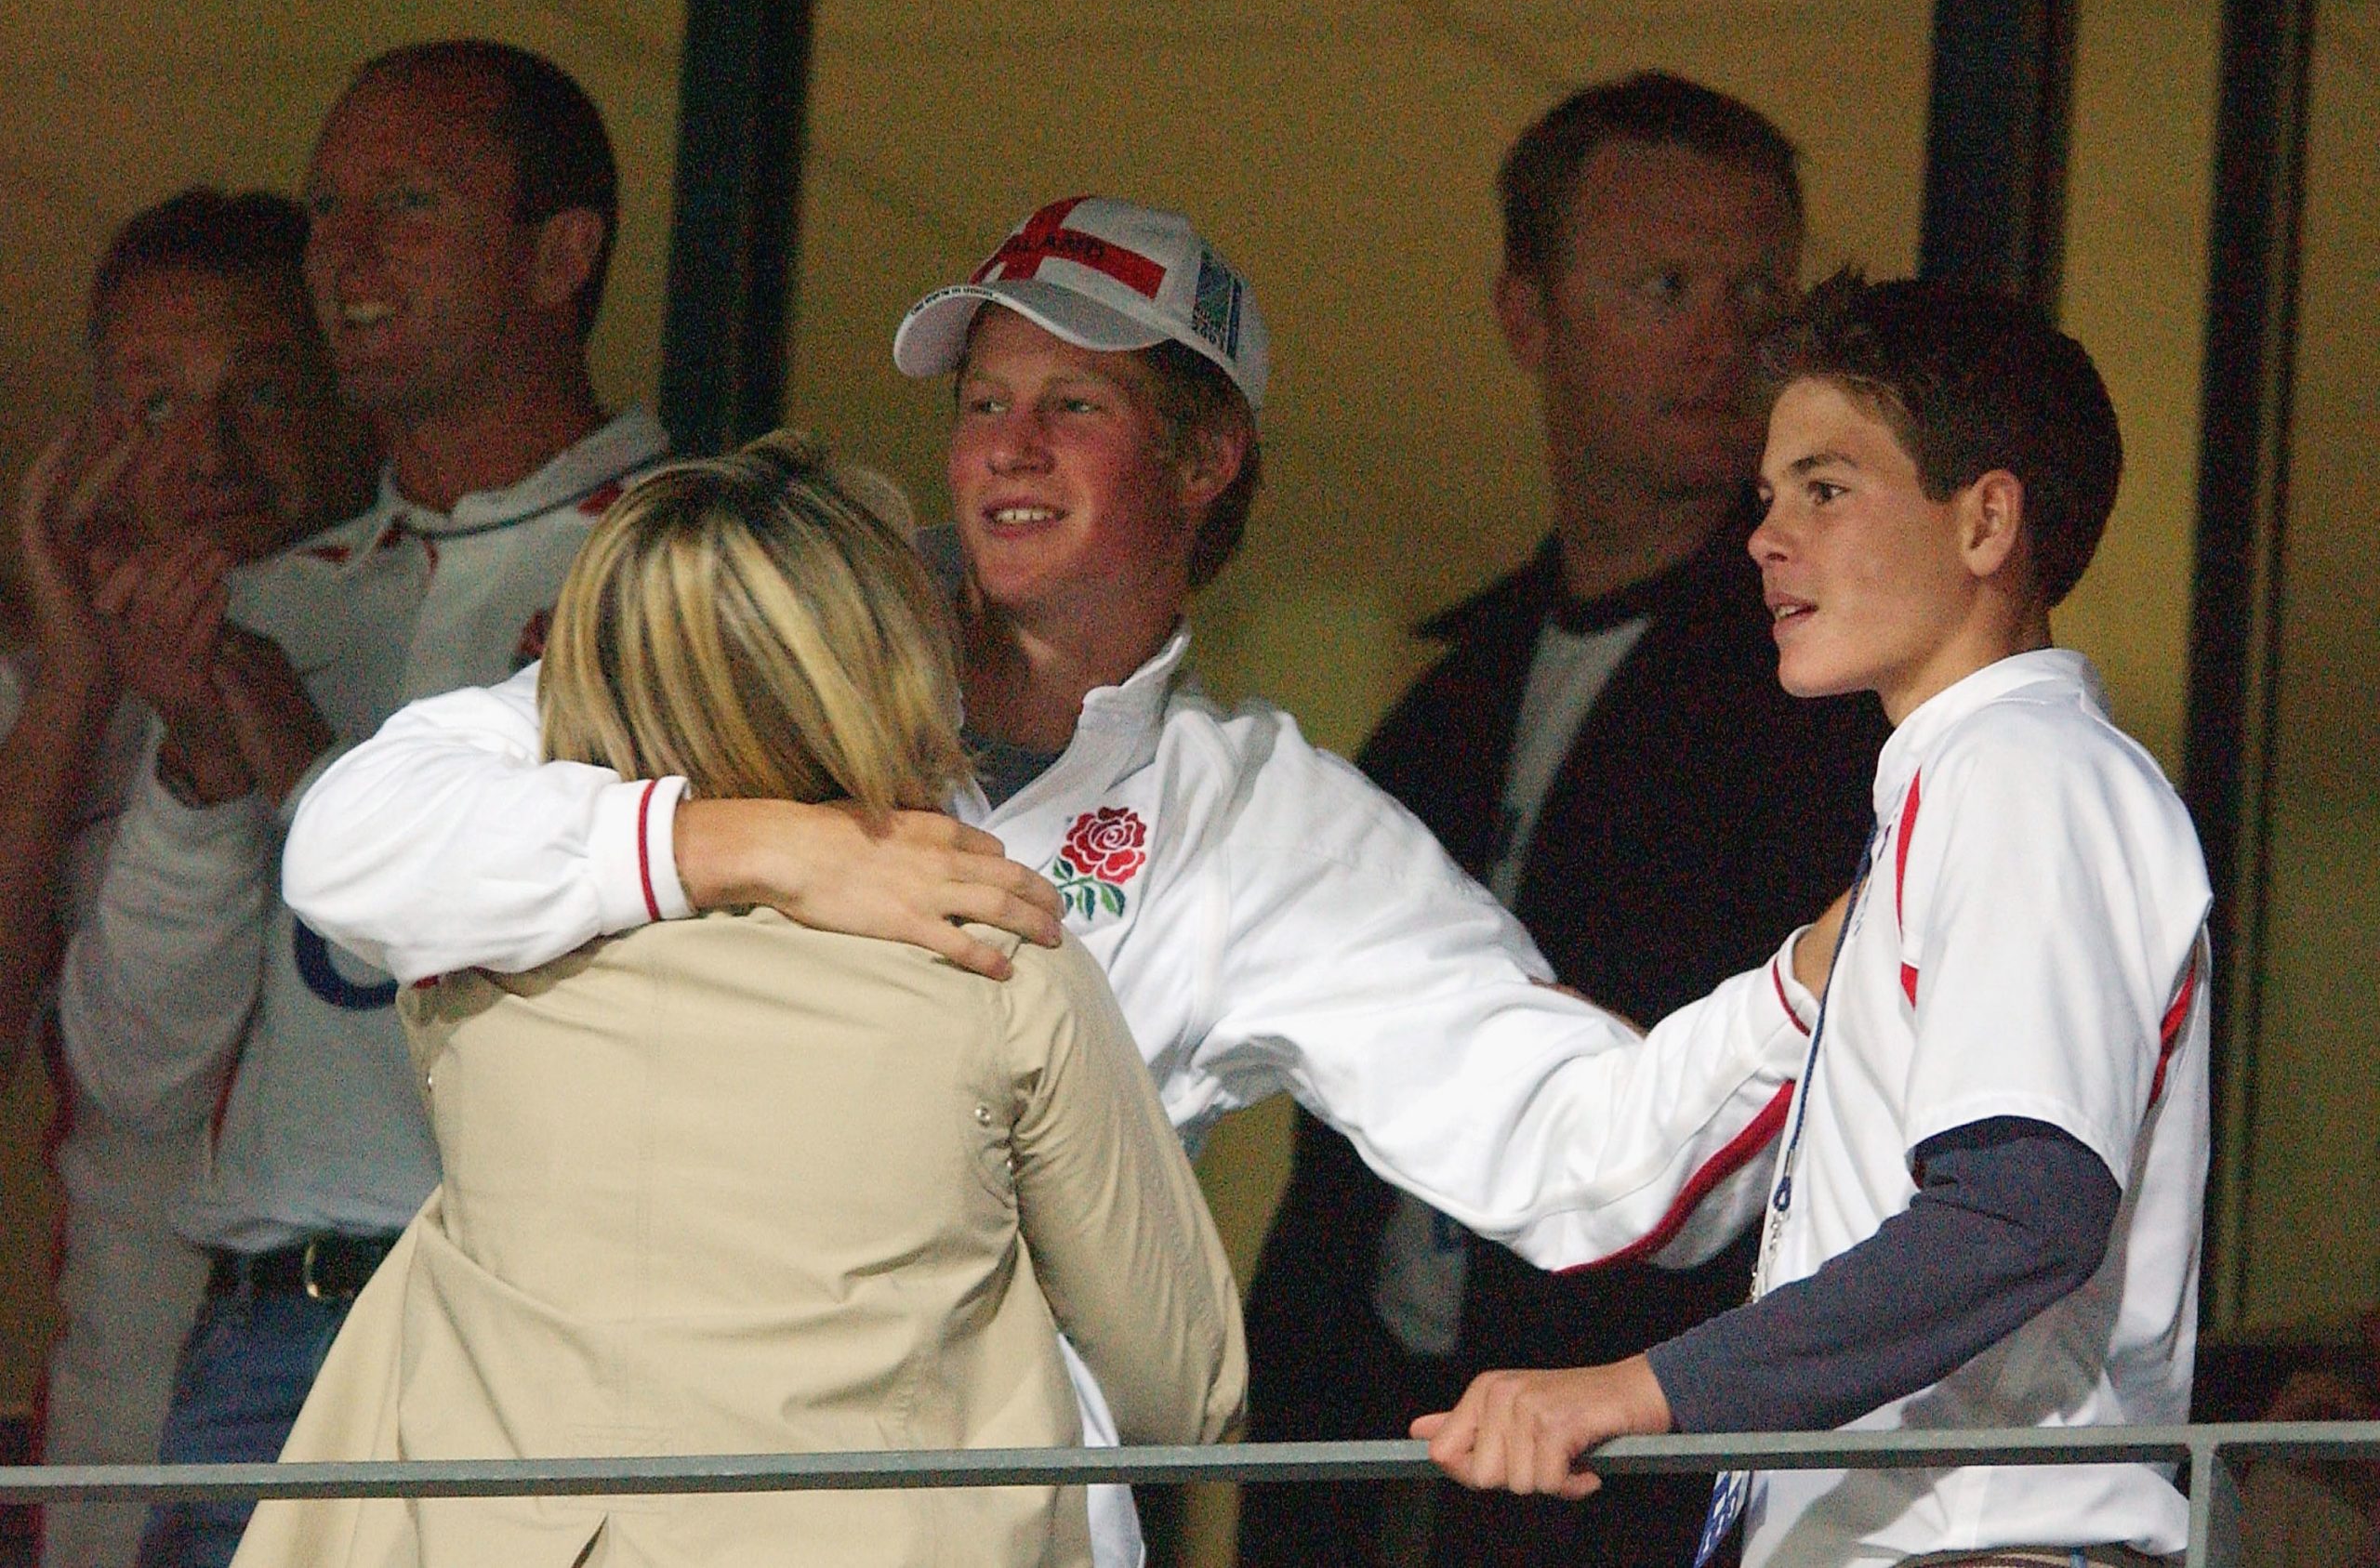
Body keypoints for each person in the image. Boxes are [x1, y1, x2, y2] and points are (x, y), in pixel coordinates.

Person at [283, 194, 1841, 1566]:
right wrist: (761, 842)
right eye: (982, 401)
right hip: (590, 1480)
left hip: (949, 1509)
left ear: (1207, 455)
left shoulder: (1259, 819)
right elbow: (353, 842)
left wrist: (1815, 987)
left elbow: (1595, 1153)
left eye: (1072, 404)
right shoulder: (783, 643)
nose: (1006, 448)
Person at [230, 435, 1244, 1568]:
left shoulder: (475, 958)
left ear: (584, 672)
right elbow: (1185, 1389)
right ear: (895, 670)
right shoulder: (997, 960)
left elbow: (350, 844)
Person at [1416, 274, 2212, 1568]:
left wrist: (1631, 1389)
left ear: (1986, 520)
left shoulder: (2026, 774)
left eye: (1826, 489)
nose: (1765, 536)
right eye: (1769, 494)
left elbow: (2021, 1211)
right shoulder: (1959, 794)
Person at [1242, 71, 1884, 1568]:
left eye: (1761, 292)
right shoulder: (1446, 707)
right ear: (1525, 315)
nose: (1724, 338)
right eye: (1664, 286)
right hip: (1374, 1454)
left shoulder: (1842, 698)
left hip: (1650, 1472)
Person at [56, 41, 668, 1568]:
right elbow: (133, 1072)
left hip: (543, 1337)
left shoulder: (690, 574)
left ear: (560, 255)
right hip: (261, 1344)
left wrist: (282, 736)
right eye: (330, 210)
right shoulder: (271, 601)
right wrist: (199, 770)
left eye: (408, 202)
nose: (347, 255)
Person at [0, 188, 376, 1568]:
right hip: (126, 1426)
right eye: (156, 406)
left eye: (262, 390)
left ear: (351, 385)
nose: (209, 448)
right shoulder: (41, 695)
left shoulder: (447, 651)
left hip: (384, 1403)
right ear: (92, 434)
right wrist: (76, 685)